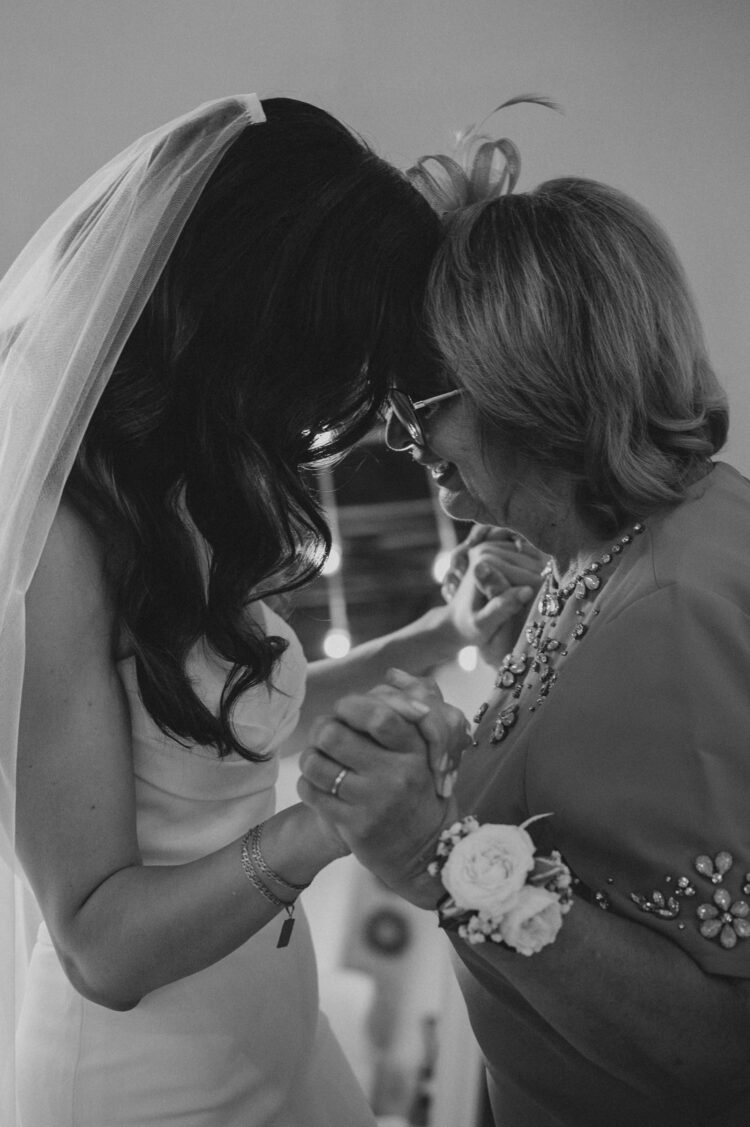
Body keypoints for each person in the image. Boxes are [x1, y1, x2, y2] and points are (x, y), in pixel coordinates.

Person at [0, 95, 538, 1127]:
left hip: (276, 1024)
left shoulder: (174, 479)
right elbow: (98, 942)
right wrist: (326, 824)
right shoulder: (50, 538)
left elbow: (223, 720)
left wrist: (442, 634)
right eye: (327, 369)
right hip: (147, 1084)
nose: (322, 419)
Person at [298, 141, 750, 1126]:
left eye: (420, 411)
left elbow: (723, 1053)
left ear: (525, 380)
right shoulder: (614, 548)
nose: (408, 450)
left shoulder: (671, 607)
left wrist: (433, 850)